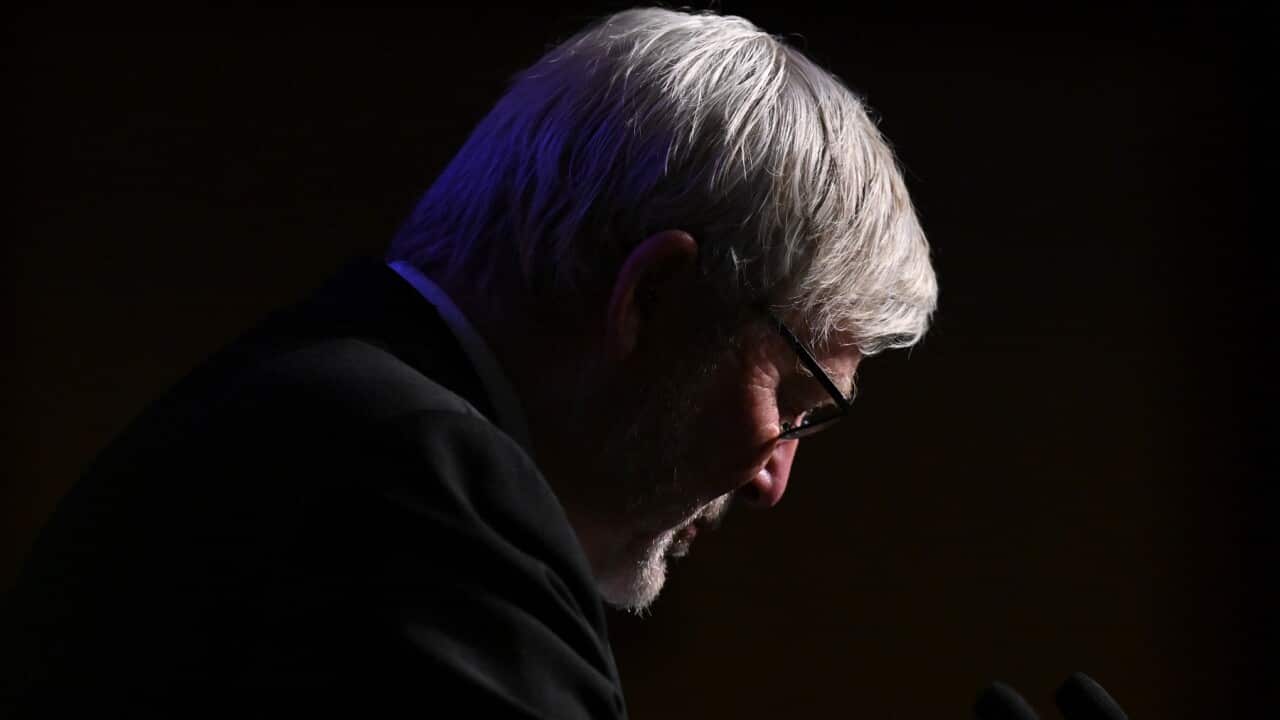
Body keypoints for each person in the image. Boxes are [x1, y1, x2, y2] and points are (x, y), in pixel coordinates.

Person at [2, 6, 937, 718]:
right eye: (795, 399)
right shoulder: (419, 481)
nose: (774, 477)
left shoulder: (310, 408)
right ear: (653, 297)